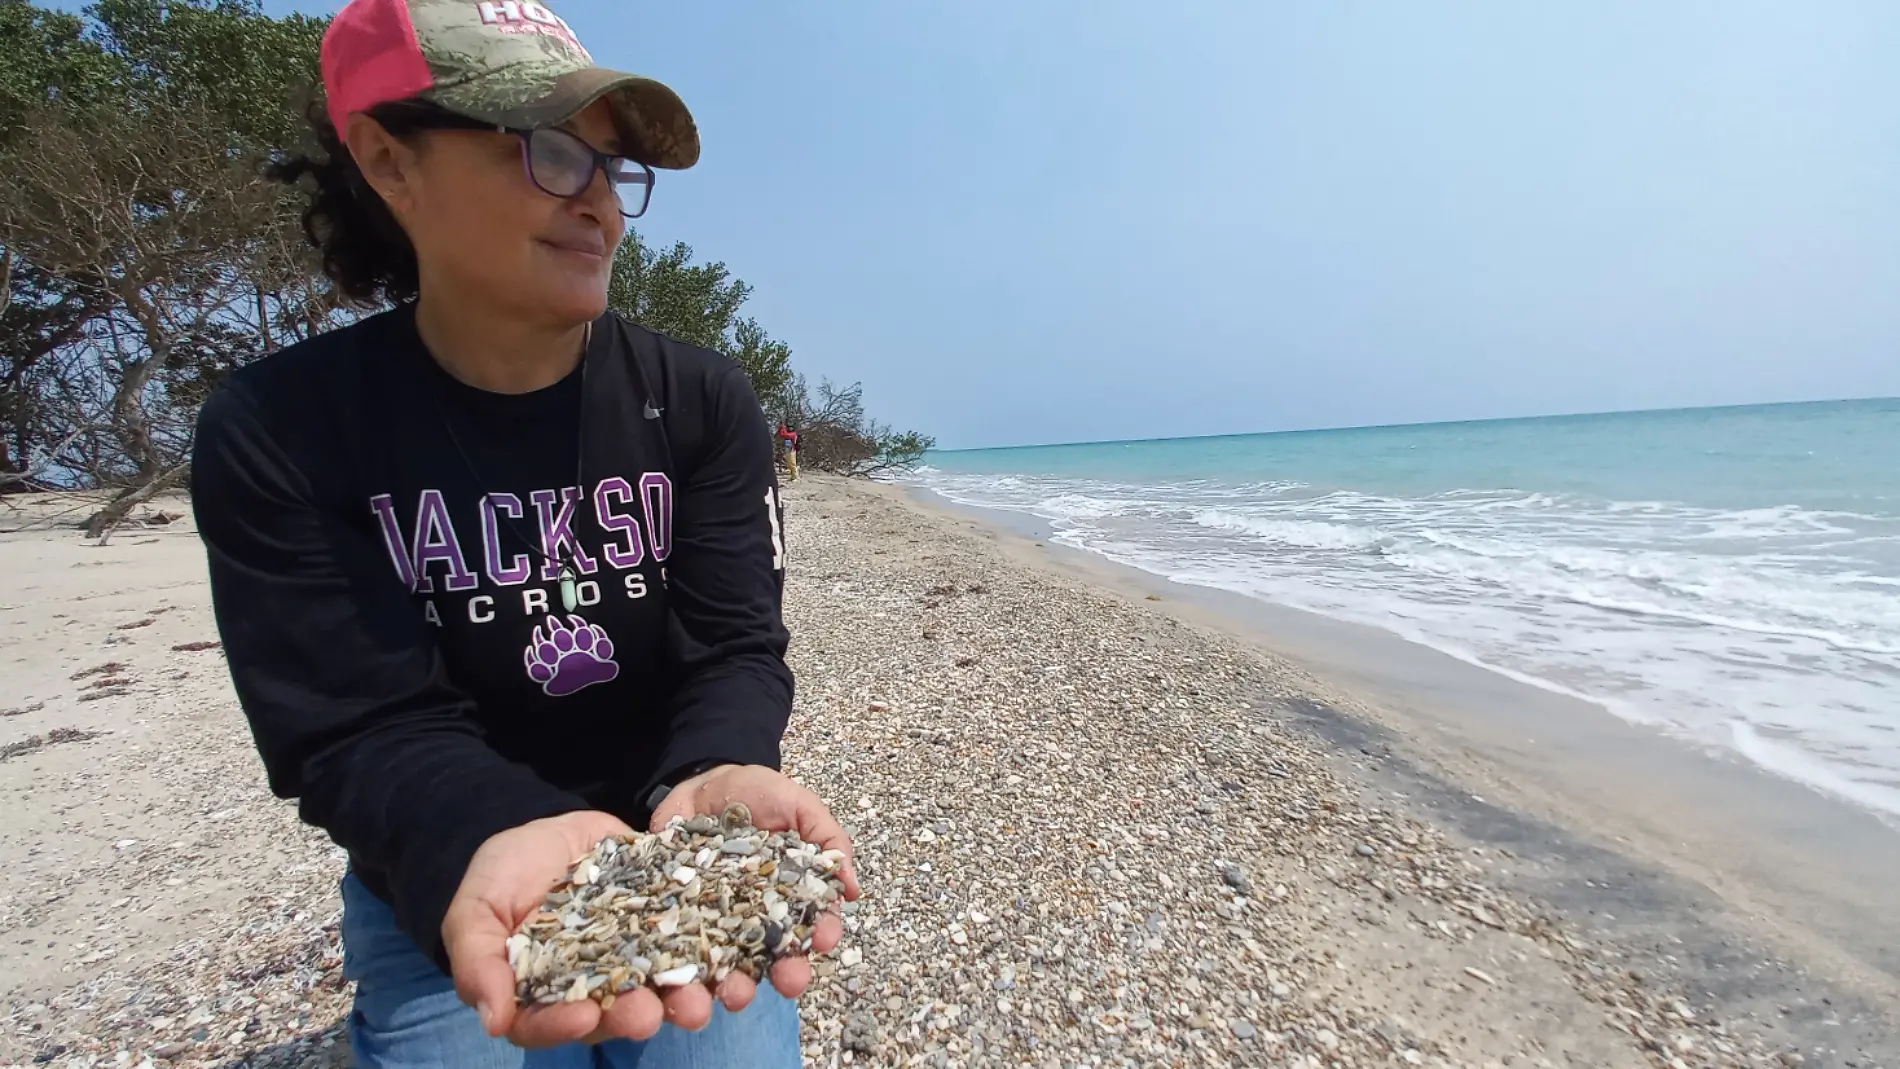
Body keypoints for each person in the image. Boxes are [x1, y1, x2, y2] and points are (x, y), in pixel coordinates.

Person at [188, 1, 856, 1066]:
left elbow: (732, 643)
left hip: (666, 841)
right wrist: (491, 830)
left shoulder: (698, 399)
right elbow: (353, 726)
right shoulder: (283, 429)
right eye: (551, 153)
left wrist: (720, 767)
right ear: (387, 160)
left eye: (609, 168)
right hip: (452, 858)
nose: (598, 203)